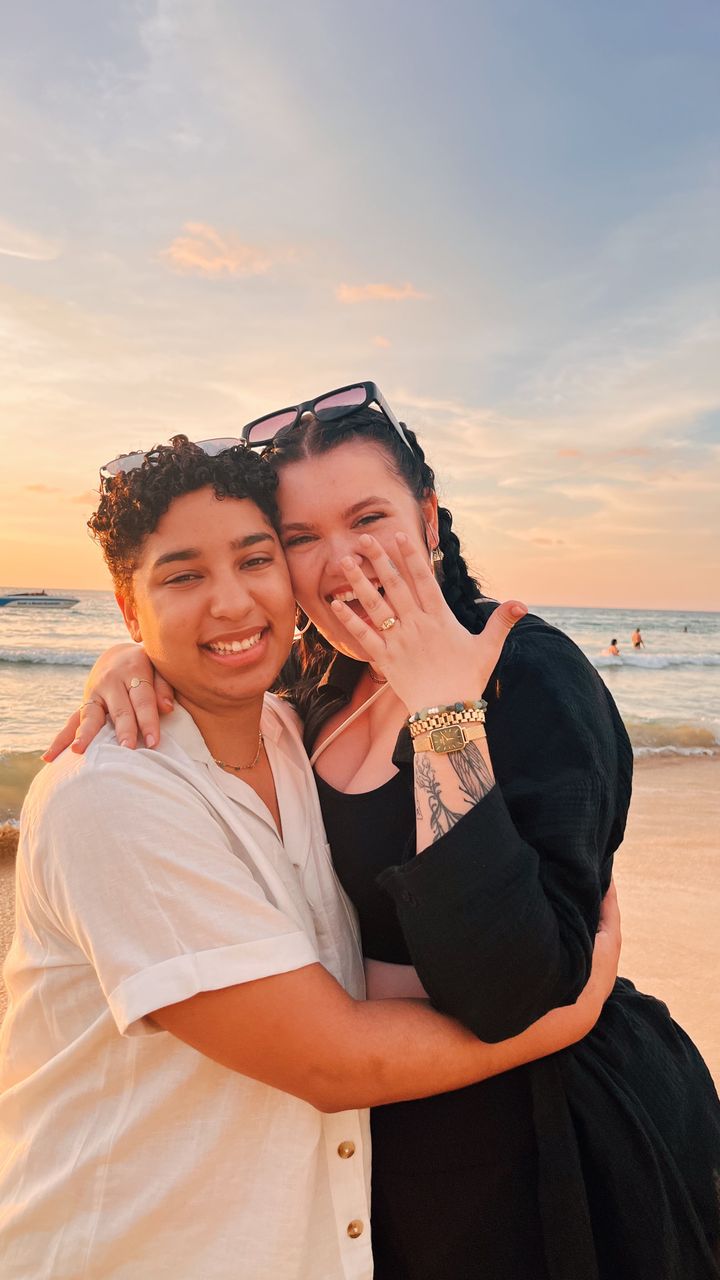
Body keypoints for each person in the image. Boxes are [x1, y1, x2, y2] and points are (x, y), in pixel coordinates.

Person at [48, 384, 720, 1279]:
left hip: (546, 1145)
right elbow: (217, 693)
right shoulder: (315, 689)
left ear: (430, 518)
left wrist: (447, 717)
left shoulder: (530, 676)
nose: (340, 561)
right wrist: (132, 659)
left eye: (368, 517)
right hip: (379, 1144)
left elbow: (512, 989)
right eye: (299, 539)